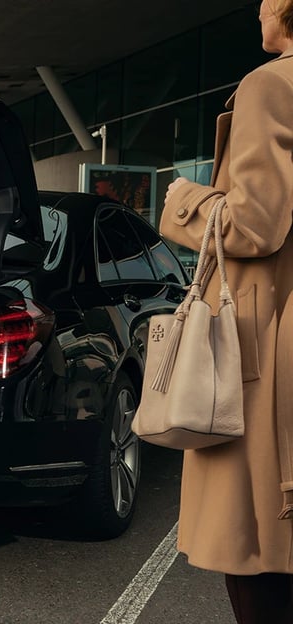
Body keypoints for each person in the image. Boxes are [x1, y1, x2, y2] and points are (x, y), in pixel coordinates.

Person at [160, 2, 293, 622]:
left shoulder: (269, 84)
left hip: (263, 340)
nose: (259, 6)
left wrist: (186, 201)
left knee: (256, 549)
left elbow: (255, 226)